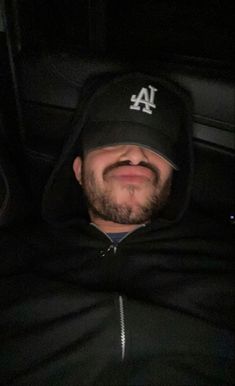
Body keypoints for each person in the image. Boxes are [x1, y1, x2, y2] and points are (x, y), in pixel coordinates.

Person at [1, 73, 234, 385]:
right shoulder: (17, 254)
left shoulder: (223, 255)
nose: (136, 155)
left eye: (157, 147)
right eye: (111, 139)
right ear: (79, 171)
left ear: (172, 180)